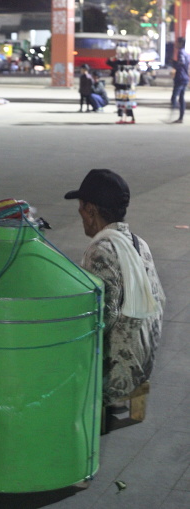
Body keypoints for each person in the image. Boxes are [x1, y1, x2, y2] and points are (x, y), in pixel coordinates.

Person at [64, 169, 165, 406]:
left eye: (81, 207)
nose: (79, 213)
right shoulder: (138, 243)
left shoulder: (102, 249)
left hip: (119, 376)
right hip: (143, 362)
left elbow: (100, 319)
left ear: (91, 210)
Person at [170, 36, 189, 124]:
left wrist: (174, 65)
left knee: (174, 97)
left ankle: (173, 112)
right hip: (185, 78)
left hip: (180, 78)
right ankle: (180, 117)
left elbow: (180, 64)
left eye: (177, 42)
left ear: (181, 43)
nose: (176, 44)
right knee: (181, 97)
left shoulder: (180, 53)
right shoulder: (186, 54)